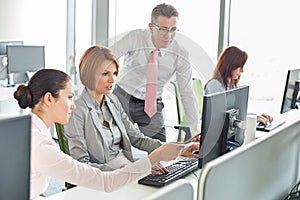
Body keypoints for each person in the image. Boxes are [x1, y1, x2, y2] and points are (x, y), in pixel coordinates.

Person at [13, 69, 186, 200]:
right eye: (70, 97)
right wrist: (155, 157)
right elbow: (106, 183)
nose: (73, 105)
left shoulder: (28, 131)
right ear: (49, 98)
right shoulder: (41, 146)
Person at [64, 45, 199, 175]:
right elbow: (80, 165)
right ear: (89, 74)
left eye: (115, 73)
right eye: (105, 74)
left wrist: (179, 149)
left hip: (125, 169)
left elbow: (137, 139)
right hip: (104, 178)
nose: (112, 80)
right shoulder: (76, 110)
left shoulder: (112, 101)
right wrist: (130, 169)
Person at [110, 3, 199, 141]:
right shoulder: (135, 37)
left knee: (161, 152)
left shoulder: (180, 53)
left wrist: (195, 131)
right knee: (113, 144)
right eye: (163, 29)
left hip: (151, 105)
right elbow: (107, 57)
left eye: (173, 30)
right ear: (151, 28)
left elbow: (187, 93)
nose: (168, 36)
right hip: (122, 97)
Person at [204, 46, 273, 125]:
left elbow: (238, 114)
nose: (242, 71)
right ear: (231, 65)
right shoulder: (215, 85)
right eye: (240, 67)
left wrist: (255, 117)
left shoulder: (233, 85)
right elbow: (221, 118)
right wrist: (253, 118)